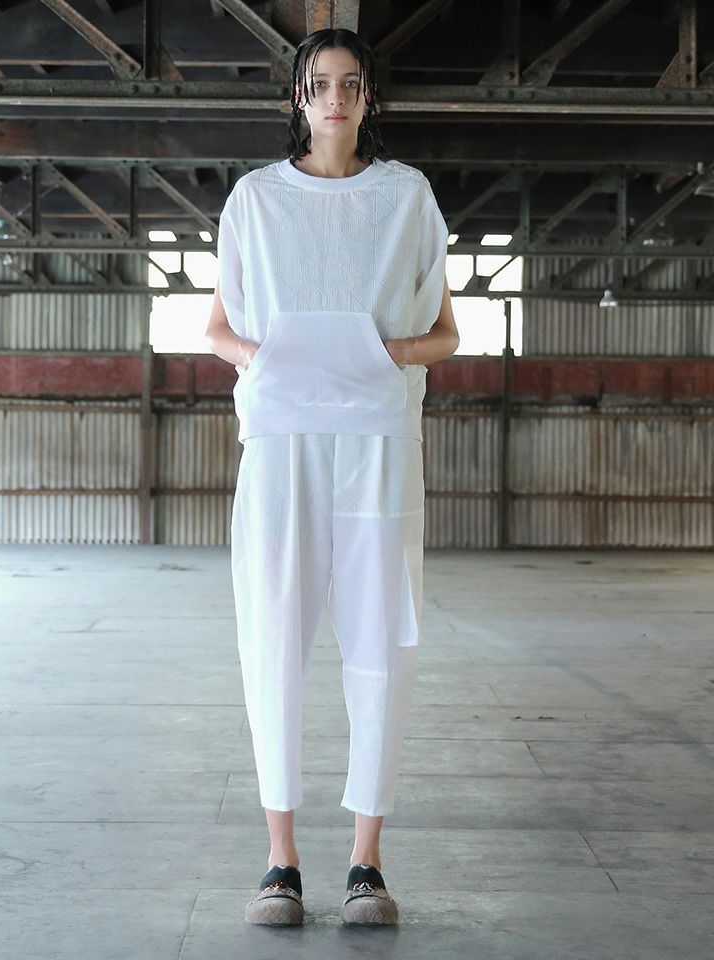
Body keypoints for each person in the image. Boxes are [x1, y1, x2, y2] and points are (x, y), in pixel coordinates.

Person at [205, 27, 459, 927]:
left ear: (369, 96)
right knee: (272, 632)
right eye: (320, 84)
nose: (336, 98)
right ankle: (280, 861)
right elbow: (219, 328)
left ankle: (366, 864)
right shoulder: (254, 200)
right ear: (298, 98)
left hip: (378, 440)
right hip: (282, 438)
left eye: (351, 83)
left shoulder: (407, 197)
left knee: (381, 640)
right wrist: (269, 360)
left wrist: (379, 355)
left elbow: (446, 334)